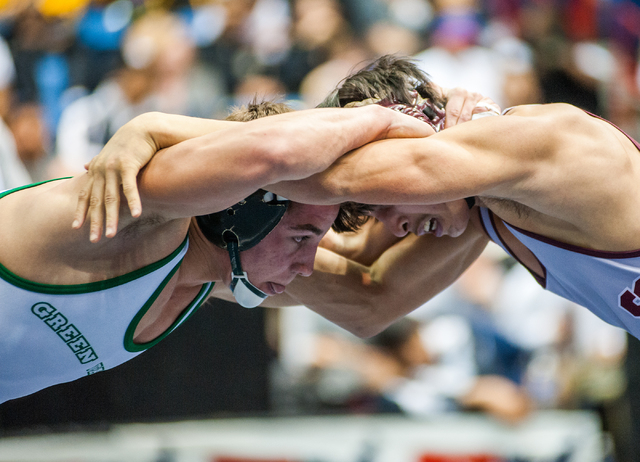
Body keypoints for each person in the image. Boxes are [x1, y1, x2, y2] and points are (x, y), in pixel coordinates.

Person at [82, 55, 640, 347]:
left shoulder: (552, 145)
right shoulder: (483, 209)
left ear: (408, 132)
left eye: (385, 202)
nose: (394, 229)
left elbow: (303, 168)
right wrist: (205, 257)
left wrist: (157, 132)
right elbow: (369, 298)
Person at [0, 98, 452, 404]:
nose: (308, 262)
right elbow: (271, 151)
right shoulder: (140, 215)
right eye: (300, 237)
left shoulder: (207, 274)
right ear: (241, 208)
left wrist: (485, 202)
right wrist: (386, 120)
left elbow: (374, 302)